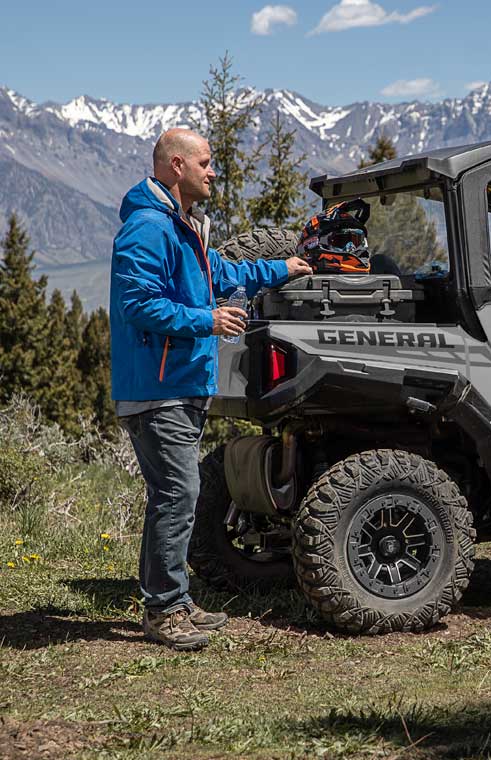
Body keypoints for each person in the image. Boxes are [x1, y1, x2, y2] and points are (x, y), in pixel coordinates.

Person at [110, 128, 311, 650]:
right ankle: (164, 611)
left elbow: (223, 273)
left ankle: (173, 602)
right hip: (158, 391)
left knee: (173, 497)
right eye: (204, 162)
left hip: (180, 386)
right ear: (176, 165)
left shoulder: (185, 226)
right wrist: (207, 320)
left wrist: (283, 267)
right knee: (178, 496)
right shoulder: (148, 227)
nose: (212, 171)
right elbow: (138, 304)